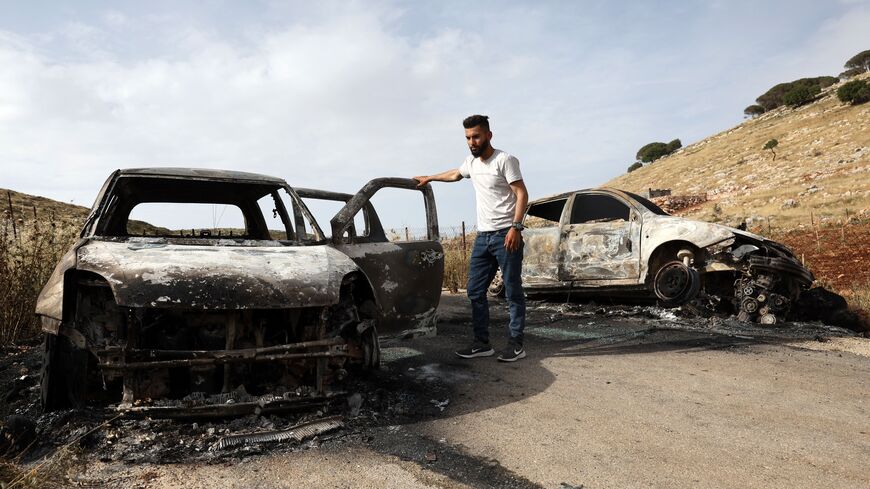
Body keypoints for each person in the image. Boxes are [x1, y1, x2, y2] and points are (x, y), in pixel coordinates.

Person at [413, 115, 529, 362]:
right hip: (483, 237)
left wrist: (516, 227)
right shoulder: (471, 163)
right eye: (467, 138)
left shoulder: (505, 160)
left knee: (512, 292)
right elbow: (456, 174)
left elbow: (521, 193)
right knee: (475, 291)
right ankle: (482, 343)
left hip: (506, 235)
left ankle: (516, 344)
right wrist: (430, 177)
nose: (472, 142)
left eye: (476, 136)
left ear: (488, 135)